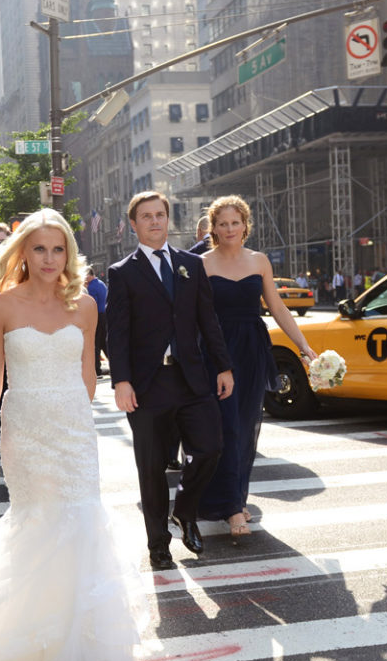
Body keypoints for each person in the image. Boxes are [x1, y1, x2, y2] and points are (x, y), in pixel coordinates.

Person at [0, 210, 147, 661]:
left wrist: (80, 419)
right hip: (25, 427)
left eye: (58, 249)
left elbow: (87, 372)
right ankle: (36, 629)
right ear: (23, 253)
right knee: (38, 521)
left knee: (82, 518)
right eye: (39, 248)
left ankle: (99, 648)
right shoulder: (1, 306)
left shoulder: (83, 306)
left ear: (69, 254)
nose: (49, 258)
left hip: (74, 429)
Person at [106, 190, 233, 571]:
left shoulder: (191, 265)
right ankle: (158, 545)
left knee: (210, 448)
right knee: (151, 467)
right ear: (134, 224)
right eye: (146, 216)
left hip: (192, 378)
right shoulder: (122, 272)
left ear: (168, 218)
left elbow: (207, 319)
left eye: (160, 214)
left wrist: (222, 366)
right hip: (147, 385)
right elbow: (118, 333)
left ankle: (186, 510)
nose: (155, 221)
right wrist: (121, 381)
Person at [198, 196, 316, 537]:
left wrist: (304, 346)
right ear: (214, 229)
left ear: (245, 226)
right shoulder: (201, 264)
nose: (229, 229)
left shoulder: (260, 261)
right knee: (228, 427)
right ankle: (232, 508)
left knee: (247, 426)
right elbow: (196, 316)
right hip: (218, 352)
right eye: (222, 224)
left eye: (235, 223)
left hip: (252, 348)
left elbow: (278, 308)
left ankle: (235, 498)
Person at [84, 267, 109, 375]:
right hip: (105, 315)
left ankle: (96, 369)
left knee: (95, 343)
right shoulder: (101, 284)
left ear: (89, 275)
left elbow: (91, 304)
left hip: (96, 316)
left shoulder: (92, 287)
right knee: (104, 343)